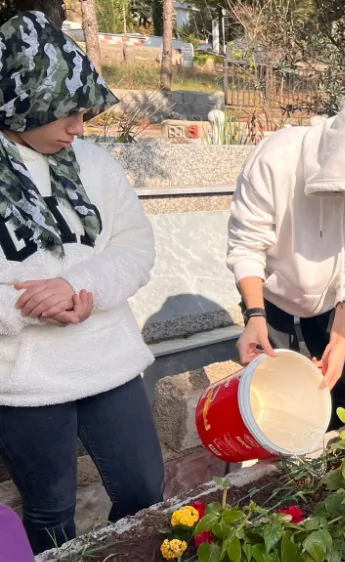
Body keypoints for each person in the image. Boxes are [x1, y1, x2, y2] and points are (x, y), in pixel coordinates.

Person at [0, 12, 163, 552]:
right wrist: (26, 308)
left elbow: (136, 247)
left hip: (108, 360)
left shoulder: (94, 164)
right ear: (23, 102)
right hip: (25, 381)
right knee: (50, 511)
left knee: (144, 488)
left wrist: (80, 285)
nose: (80, 128)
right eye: (66, 113)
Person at [227, 102, 345, 426]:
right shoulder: (277, 159)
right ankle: (277, 454)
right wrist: (254, 314)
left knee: (336, 382)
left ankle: (332, 449)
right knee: (272, 383)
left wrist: (341, 340)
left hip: (333, 296)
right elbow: (247, 244)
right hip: (270, 291)